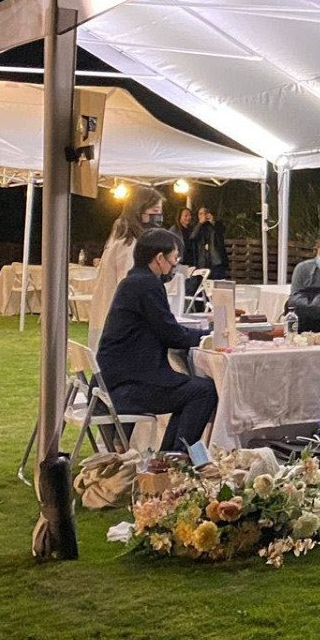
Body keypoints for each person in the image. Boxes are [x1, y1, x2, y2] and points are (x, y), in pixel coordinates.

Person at [95, 228, 217, 452]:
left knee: (193, 390)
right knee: (204, 391)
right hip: (126, 387)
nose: (174, 265)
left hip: (111, 383)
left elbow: (165, 328)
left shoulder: (133, 281)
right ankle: (174, 459)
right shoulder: (147, 285)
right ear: (159, 258)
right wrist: (209, 335)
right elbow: (171, 334)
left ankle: (168, 457)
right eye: (174, 259)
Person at [87, 187, 165, 349]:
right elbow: (130, 289)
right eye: (155, 210)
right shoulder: (129, 245)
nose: (159, 216)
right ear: (139, 210)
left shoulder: (122, 238)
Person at [189, 206, 230, 279]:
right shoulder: (197, 226)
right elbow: (193, 237)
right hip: (203, 262)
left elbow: (221, 233)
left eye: (205, 213)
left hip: (216, 261)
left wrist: (212, 222)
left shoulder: (216, 225)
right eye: (200, 214)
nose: (203, 216)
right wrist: (200, 223)